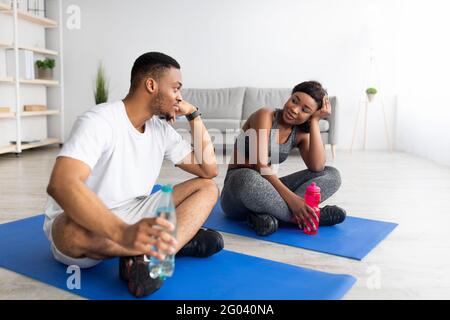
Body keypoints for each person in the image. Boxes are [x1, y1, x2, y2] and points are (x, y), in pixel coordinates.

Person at [44, 52, 223, 297]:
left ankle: (154, 255)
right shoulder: (100, 120)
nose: (179, 97)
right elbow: (62, 185)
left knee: (206, 187)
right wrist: (122, 233)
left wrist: (193, 114)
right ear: (151, 85)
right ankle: (159, 246)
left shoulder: (160, 129)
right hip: (87, 222)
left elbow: (208, 170)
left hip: (134, 212)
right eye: (175, 88)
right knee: (68, 230)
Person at [220, 81, 346, 236]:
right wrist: (294, 201)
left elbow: (317, 167)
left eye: (305, 110)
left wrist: (315, 121)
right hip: (237, 192)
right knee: (248, 177)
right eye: (294, 100)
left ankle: (266, 217)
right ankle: (312, 216)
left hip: (267, 189)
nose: (294, 109)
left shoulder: (300, 133)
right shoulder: (265, 115)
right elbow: (262, 167)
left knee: (331, 174)